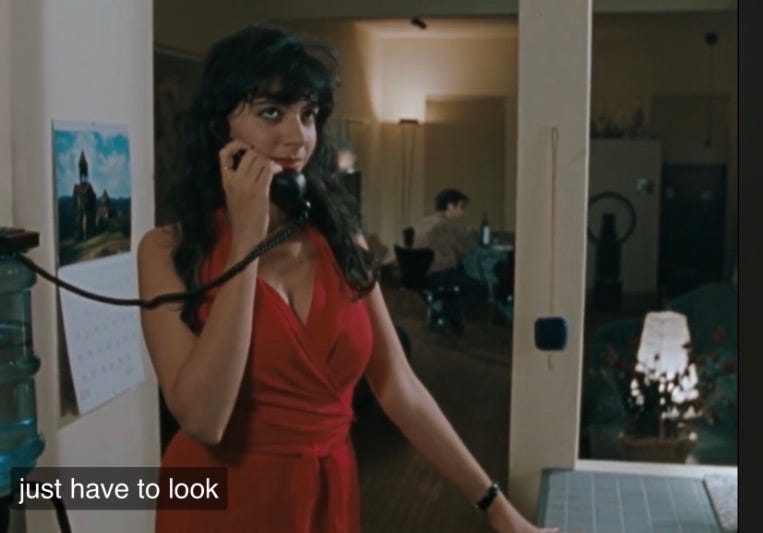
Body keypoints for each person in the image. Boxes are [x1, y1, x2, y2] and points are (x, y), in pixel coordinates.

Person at [137, 25, 556, 533]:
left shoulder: (341, 241)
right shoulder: (166, 251)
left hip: (326, 495)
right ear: (218, 128)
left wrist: (498, 509)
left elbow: (398, 386)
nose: (298, 138)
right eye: (271, 112)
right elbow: (204, 418)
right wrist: (245, 237)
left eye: (308, 114)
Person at [413, 188, 489, 336]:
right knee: (480, 289)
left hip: (419, 276)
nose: (463, 212)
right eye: (461, 207)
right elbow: (466, 248)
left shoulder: (426, 221)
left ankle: (444, 312)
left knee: (458, 277)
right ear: (450, 206)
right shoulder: (446, 225)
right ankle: (449, 316)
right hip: (438, 274)